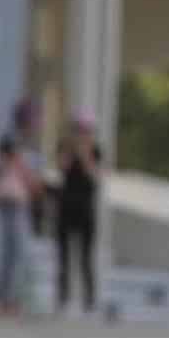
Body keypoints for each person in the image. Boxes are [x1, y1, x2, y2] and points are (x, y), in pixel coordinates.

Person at [0, 132, 40, 314]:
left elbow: (34, 186)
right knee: (9, 254)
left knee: (18, 254)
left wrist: (20, 169)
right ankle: (5, 297)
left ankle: (11, 297)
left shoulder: (21, 165)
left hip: (18, 207)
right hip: (4, 207)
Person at [56, 112, 102, 315]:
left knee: (86, 257)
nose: (81, 135)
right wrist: (70, 149)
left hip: (85, 209)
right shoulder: (64, 147)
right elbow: (61, 168)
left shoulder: (95, 150)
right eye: (78, 130)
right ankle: (63, 297)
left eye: (85, 131)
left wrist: (84, 152)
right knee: (63, 256)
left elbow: (94, 175)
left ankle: (89, 299)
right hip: (66, 207)